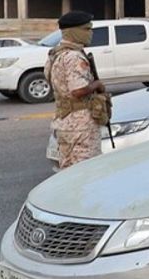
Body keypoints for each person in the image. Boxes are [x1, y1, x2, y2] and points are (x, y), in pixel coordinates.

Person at [46, 11, 110, 170]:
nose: (91, 33)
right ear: (74, 31)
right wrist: (97, 85)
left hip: (64, 120)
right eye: (87, 29)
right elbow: (78, 90)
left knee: (68, 170)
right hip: (80, 126)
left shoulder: (55, 54)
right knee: (87, 171)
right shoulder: (74, 57)